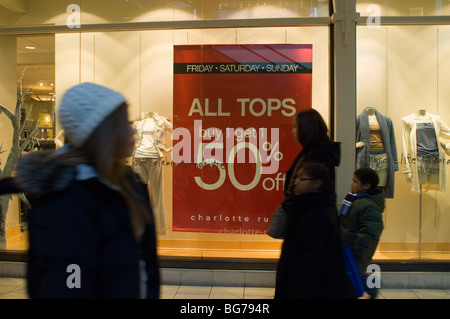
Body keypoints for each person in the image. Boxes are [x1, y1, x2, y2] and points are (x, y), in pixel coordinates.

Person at [14, 82, 160, 299]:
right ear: (101, 133)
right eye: (122, 123)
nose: (132, 129)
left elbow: (144, 265)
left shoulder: (129, 183)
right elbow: (67, 286)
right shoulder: (63, 203)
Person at [275, 163, 357, 299]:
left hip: (318, 289)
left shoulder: (316, 215)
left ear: (316, 184)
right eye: (296, 178)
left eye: (301, 178)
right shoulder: (305, 207)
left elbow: (313, 262)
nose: (295, 182)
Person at [339, 168, 384, 299]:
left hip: (355, 253)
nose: (351, 184)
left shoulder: (369, 206)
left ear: (366, 186)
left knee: (354, 278)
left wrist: (358, 253)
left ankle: (371, 289)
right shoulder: (354, 200)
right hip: (347, 250)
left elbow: (369, 233)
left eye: (355, 181)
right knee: (354, 277)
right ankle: (370, 287)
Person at [284, 108, 341, 197]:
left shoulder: (318, 154)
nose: (292, 131)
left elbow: (312, 193)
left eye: (295, 126)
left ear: (305, 128)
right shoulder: (311, 151)